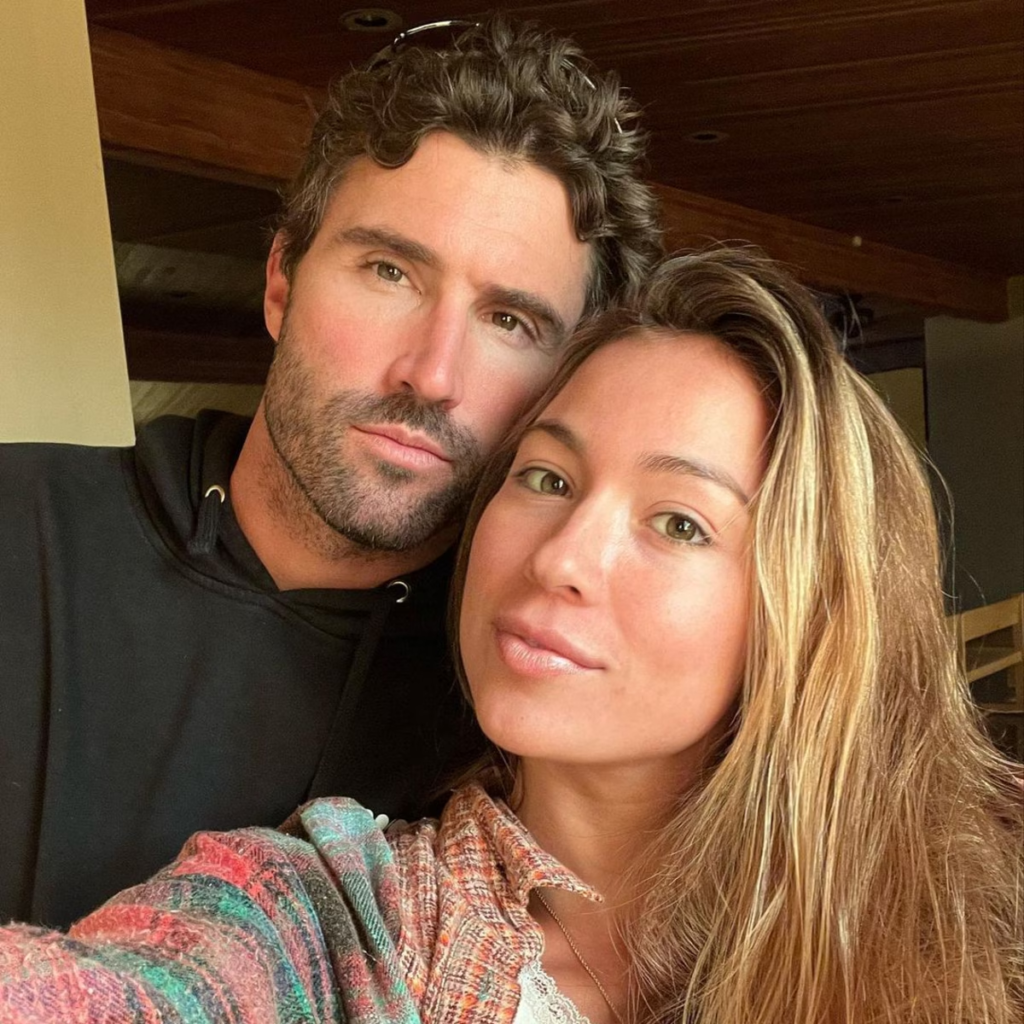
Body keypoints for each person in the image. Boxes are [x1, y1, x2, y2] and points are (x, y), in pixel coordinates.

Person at [1, 247, 1019, 1023]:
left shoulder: (962, 925)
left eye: (678, 522)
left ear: (811, 614)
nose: (561, 556)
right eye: (546, 477)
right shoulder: (330, 919)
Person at [0, 16, 662, 928]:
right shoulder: (21, 528)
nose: (431, 374)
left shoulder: (534, 694)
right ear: (282, 281)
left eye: (510, 321)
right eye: (389, 272)